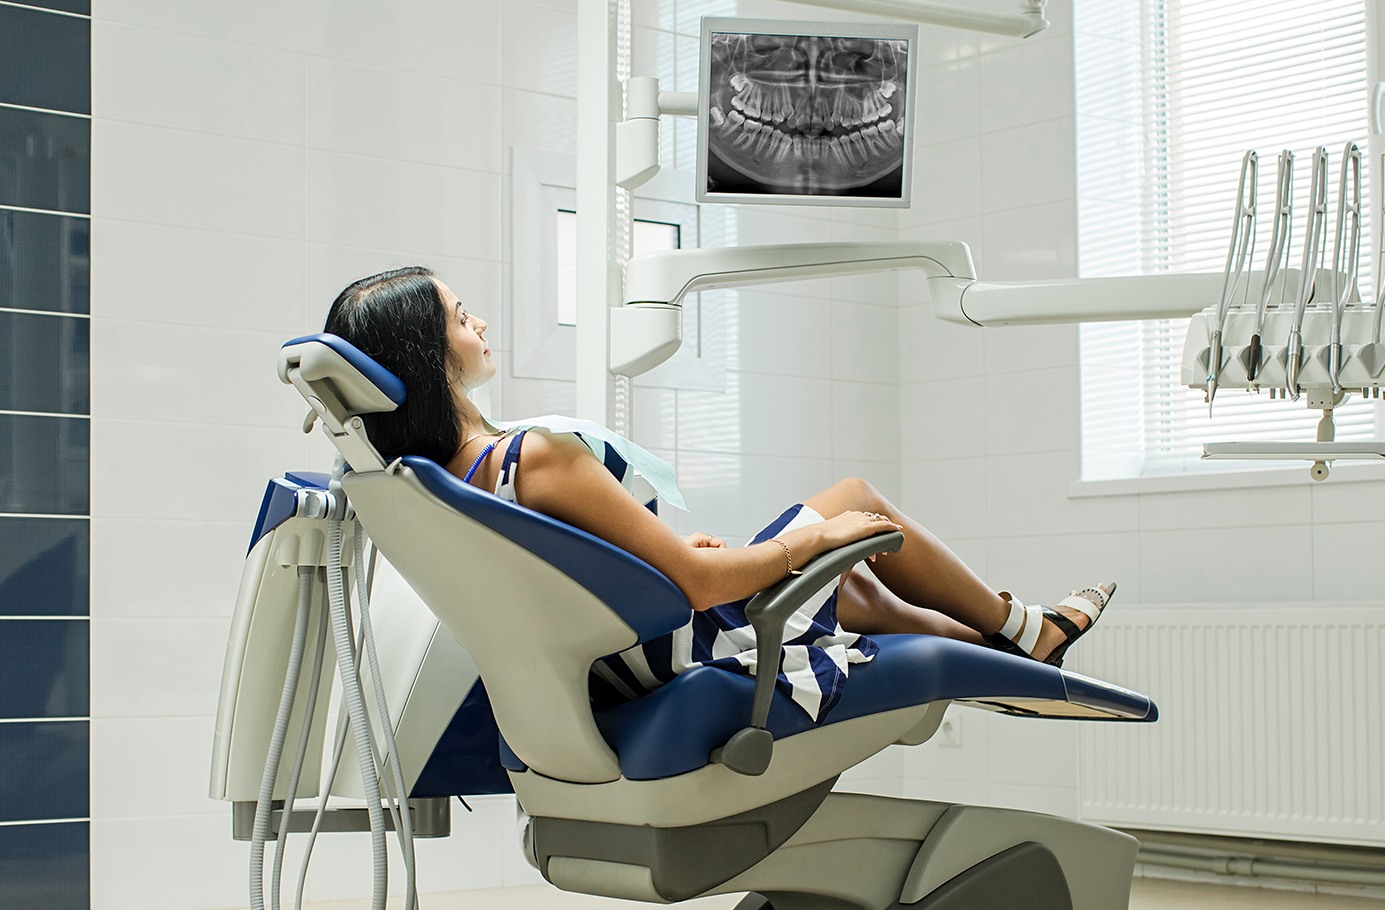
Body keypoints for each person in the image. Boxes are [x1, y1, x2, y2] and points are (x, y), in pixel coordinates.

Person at [324, 266, 1113, 720]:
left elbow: (570, 573)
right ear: (432, 354)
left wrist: (675, 555)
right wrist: (800, 543)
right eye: (463, 317)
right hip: (683, 647)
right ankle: (1024, 630)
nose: (482, 322)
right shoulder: (538, 456)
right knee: (849, 500)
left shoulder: (449, 479)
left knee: (862, 595)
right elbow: (699, 585)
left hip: (618, 660)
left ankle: (1011, 659)